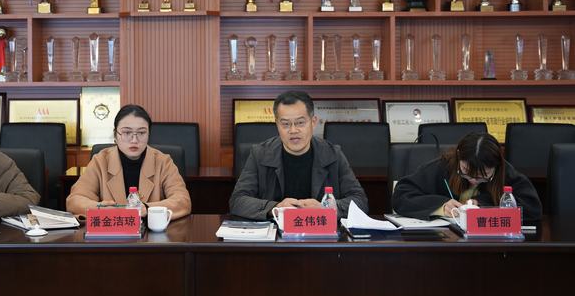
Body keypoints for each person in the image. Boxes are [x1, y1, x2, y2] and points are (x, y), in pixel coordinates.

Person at [229, 91, 368, 220]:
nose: (293, 130)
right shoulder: (260, 154)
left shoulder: (333, 154)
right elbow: (237, 200)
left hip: (319, 231)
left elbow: (360, 201)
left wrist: (325, 208)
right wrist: (275, 208)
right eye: (285, 124)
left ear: (313, 122)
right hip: (276, 233)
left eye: (300, 123)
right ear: (277, 125)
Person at [67, 104, 191, 220]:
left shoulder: (163, 162)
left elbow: (182, 201)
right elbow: (75, 201)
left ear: (149, 135)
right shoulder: (100, 161)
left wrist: (147, 208)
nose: (134, 140)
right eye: (127, 132)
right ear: (115, 135)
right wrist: (100, 209)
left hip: (151, 233)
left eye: (141, 133)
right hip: (112, 232)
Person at [392, 132, 542, 221]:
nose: (473, 180)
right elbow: (401, 195)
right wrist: (441, 206)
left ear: (496, 165)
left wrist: (483, 205)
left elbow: (533, 209)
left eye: (483, 176)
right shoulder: (442, 167)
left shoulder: (505, 172)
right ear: (459, 156)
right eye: (465, 171)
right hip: (444, 241)